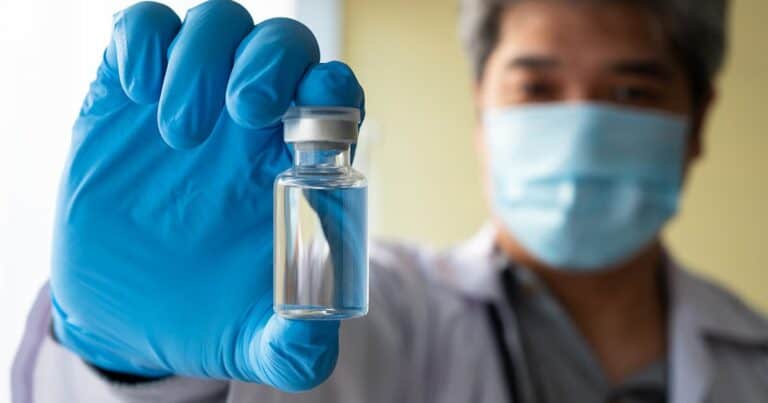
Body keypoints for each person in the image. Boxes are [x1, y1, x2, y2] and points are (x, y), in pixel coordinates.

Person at [11, 0, 768, 402]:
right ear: (481, 113)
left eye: (632, 91)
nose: (581, 129)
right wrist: (133, 375)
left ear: (697, 121)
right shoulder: (373, 316)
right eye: (536, 87)